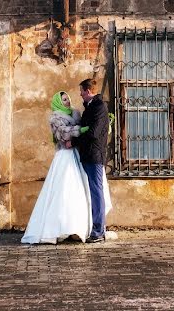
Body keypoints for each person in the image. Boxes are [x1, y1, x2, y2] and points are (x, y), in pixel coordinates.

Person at [21, 92, 92, 245]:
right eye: (64, 99)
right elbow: (63, 134)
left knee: (77, 191)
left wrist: (80, 131)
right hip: (64, 156)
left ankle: (75, 227)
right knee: (62, 190)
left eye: (68, 99)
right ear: (58, 102)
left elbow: (76, 133)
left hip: (76, 154)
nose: (67, 101)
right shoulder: (55, 117)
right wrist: (80, 130)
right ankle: (56, 228)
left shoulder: (76, 114)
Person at [73, 78, 111, 243]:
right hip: (88, 155)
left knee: (97, 192)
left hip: (94, 155)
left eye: (81, 91)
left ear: (88, 91)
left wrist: (74, 139)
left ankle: (98, 231)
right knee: (93, 191)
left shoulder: (99, 107)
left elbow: (94, 133)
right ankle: (95, 228)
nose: (80, 94)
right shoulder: (90, 107)